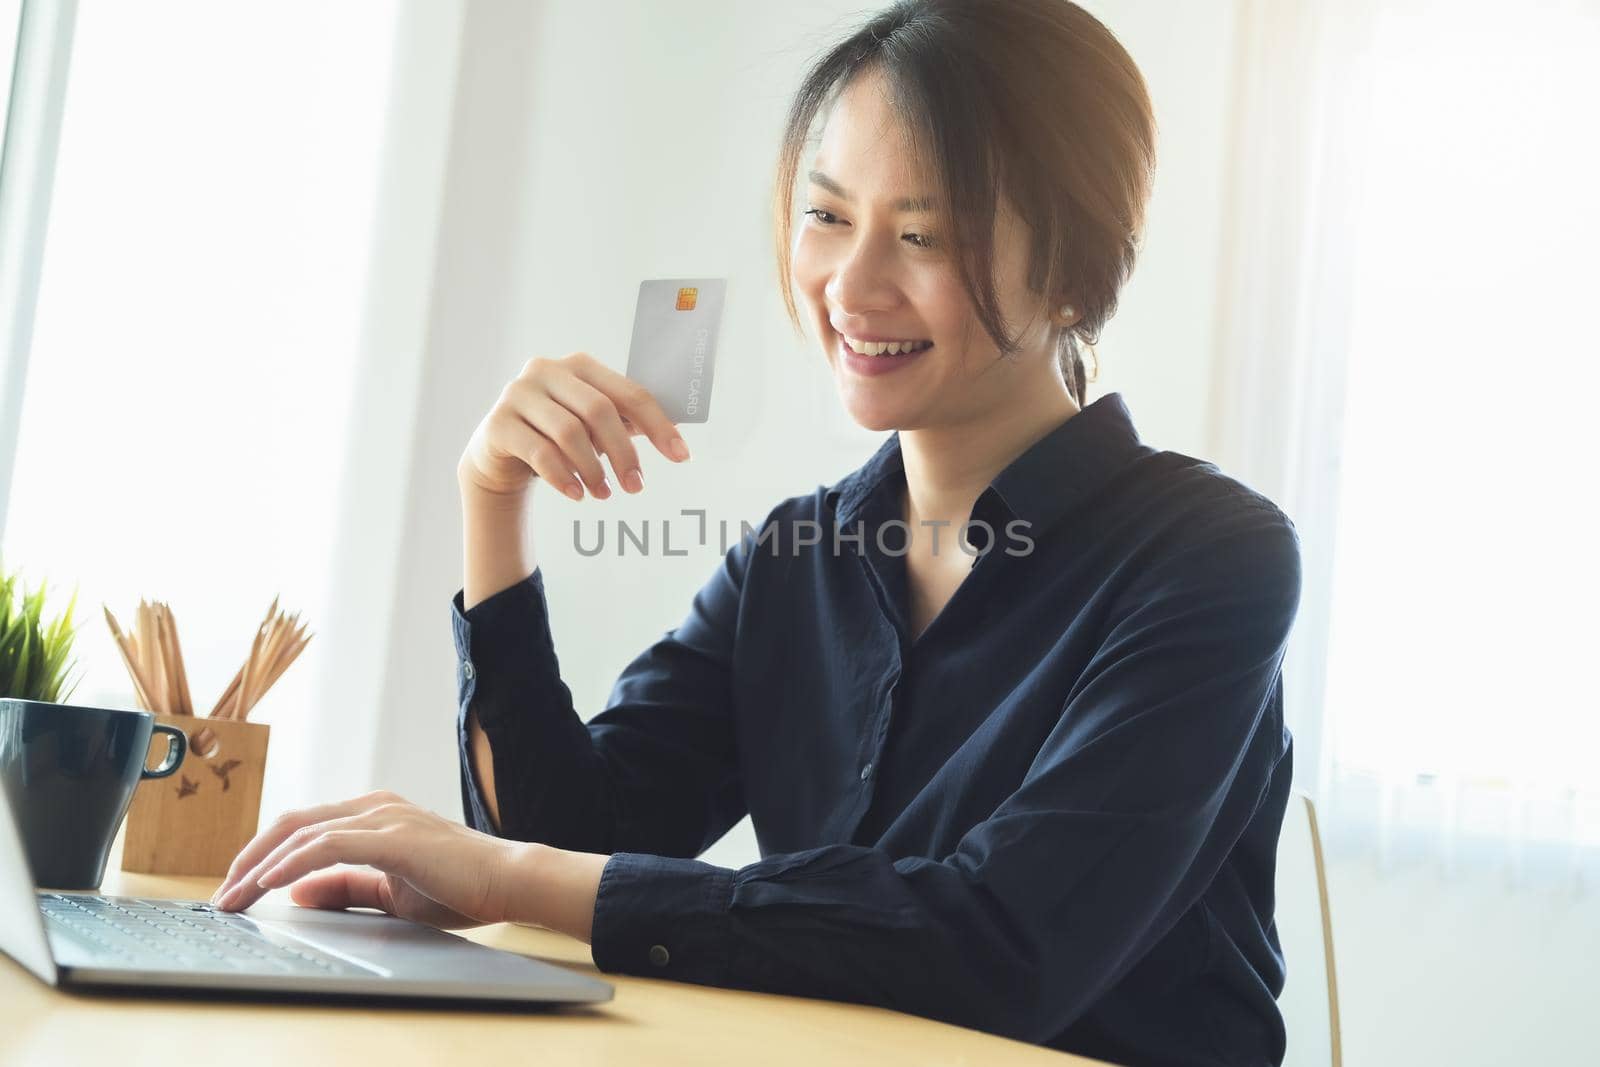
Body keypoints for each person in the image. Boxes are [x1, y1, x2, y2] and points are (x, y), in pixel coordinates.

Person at [212, 1, 1303, 1062]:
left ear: (1069, 270)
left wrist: (502, 876)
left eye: (920, 233)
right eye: (826, 216)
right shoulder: (800, 555)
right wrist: (491, 500)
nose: (851, 285)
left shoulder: (1210, 557)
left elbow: (998, 944)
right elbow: (575, 834)